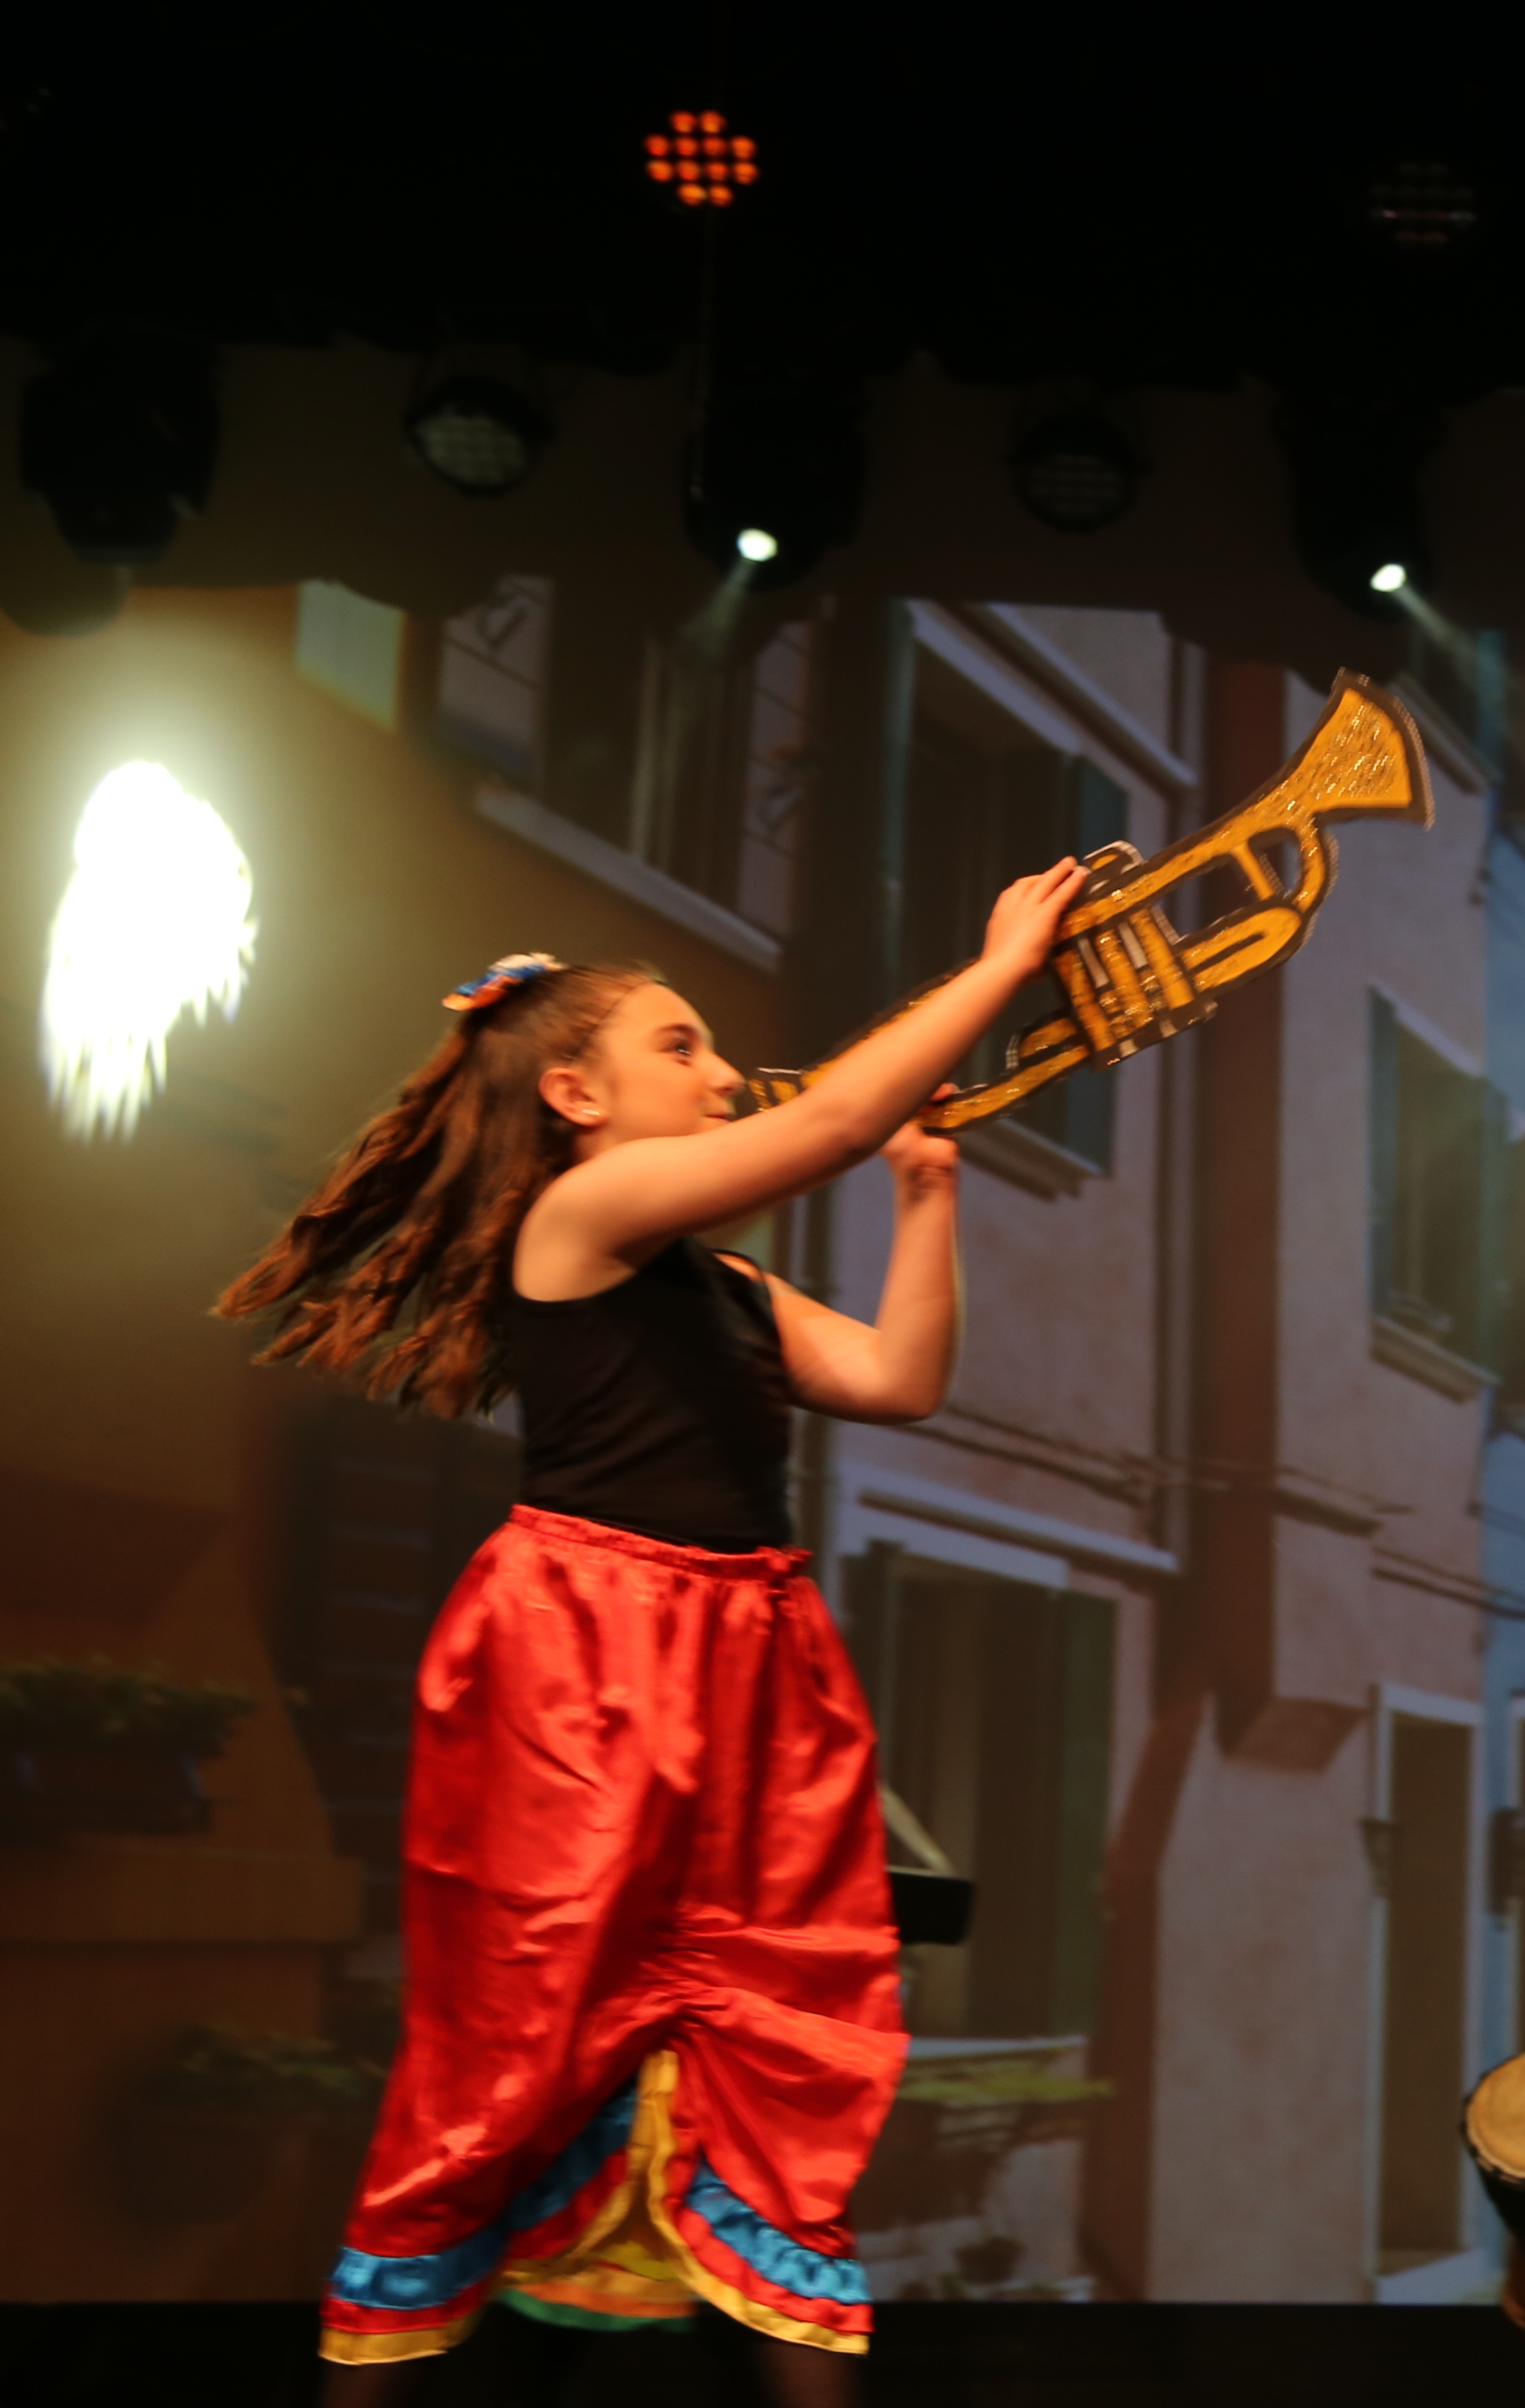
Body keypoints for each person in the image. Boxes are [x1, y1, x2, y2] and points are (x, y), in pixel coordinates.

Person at [217, 856, 1086, 2403]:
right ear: (573, 1092)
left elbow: (896, 1381)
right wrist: (1002, 959)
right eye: (676, 1046)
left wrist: (929, 1194)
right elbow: (816, 1123)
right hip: (587, 1648)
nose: (720, 1068)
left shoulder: (724, 1281)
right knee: (517, 2043)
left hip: (754, 1655)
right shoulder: (582, 1209)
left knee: (779, 2033)